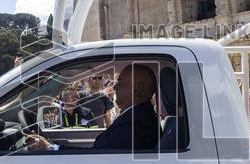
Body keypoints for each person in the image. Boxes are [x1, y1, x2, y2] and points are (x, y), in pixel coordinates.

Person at [28, 64, 160, 152]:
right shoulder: (136, 117)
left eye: (121, 83)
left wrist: (50, 147)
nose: (115, 87)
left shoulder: (137, 124)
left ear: (138, 89)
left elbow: (96, 155)